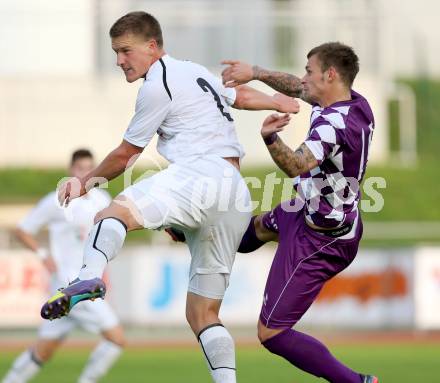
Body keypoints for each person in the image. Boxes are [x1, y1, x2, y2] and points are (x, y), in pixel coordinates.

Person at [40, 11, 299, 383]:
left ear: (152, 46)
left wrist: (85, 183)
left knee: (112, 214)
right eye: (115, 52)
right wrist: (276, 101)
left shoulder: (156, 84)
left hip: (198, 174)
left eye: (125, 51)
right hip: (233, 193)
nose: (119, 61)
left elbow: (126, 154)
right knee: (202, 313)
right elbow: (237, 96)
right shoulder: (192, 70)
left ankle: (88, 275)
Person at [221, 42, 378, 383]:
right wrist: (257, 73)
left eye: (310, 70)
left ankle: (357, 382)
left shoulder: (333, 126)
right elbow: (297, 87)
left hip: (322, 239)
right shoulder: (354, 104)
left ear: (330, 75)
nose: (303, 77)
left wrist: (269, 138)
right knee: (259, 227)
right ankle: (193, 234)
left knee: (271, 332)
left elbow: (296, 165)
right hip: (308, 208)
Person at [2, 149, 124, 383]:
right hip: (70, 283)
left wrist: (104, 275)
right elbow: (22, 229)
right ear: (71, 170)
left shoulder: (101, 200)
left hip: (83, 284)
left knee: (43, 351)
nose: (85, 172)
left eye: (89, 168)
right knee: (116, 338)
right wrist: (43, 254)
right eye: (80, 168)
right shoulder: (56, 201)